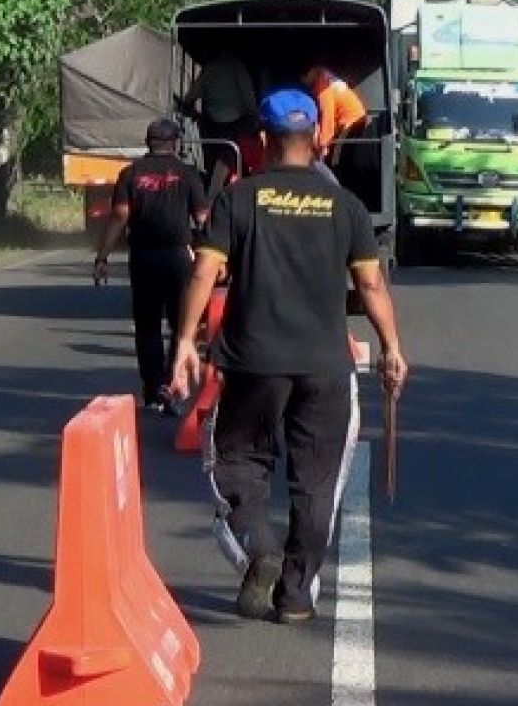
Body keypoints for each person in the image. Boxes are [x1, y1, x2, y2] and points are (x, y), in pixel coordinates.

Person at [169, 88, 406, 624]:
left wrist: (185, 340)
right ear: (319, 139)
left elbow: (205, 271)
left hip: (253, 362)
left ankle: (259, 546)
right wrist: (392, 348)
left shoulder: (239, 198)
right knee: (316, 481)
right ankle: (297, 596)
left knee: (237, 462)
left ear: (260, 141)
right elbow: (369, 284)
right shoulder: (345, 206)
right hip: (325, 365)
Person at [94, 118, 208, 414]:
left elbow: (119, 216)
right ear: (176, 143)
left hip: (143, 258)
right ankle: (173, 385)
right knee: (180, 324)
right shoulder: (187, 174)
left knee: (147, 326)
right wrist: (209, 257)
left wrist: (102, 256)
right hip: (178, 258)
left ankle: (153, 389)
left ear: (148, 143)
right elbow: (203, 218)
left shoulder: (130, 174)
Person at [181, 51, 259, 198]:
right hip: (234, 125)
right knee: (228, 162)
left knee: (216, 166)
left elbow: (191, 96)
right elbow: (249, 99)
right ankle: (218, 196)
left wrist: (194, 112)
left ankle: (213, 195)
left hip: (211, 124)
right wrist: (254, 118)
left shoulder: (210, 68)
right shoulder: (237, 67)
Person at [303, 66, 368, 166]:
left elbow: (327, 122)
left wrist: (322, 146)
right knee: (343, 155)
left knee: (338, 158)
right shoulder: (328, 82)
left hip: (351, 122)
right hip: (356, 118)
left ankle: (337, 178)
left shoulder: (325, 92)